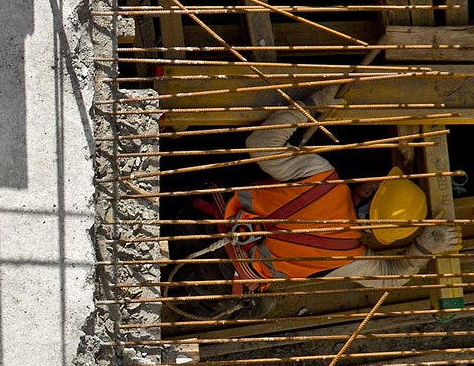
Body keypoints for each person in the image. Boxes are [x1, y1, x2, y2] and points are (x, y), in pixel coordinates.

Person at [172, 87, 460, 317]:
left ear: (366, 193)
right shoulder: (348, 258)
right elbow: (393, 278)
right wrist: (424, 247)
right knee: (261, 305)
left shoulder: (321, 176)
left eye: (378, 183)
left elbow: (260, 144)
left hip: (192, 230)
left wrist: (311, 104)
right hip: (215, 286)